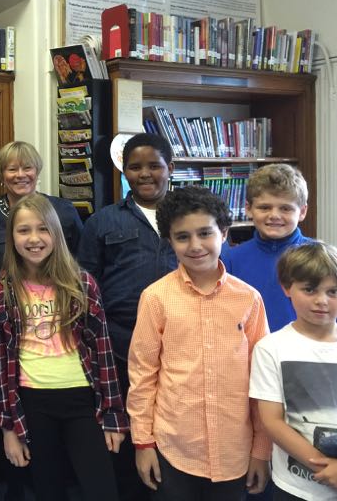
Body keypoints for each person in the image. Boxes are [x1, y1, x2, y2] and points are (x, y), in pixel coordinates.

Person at [128, 186, 271, 501]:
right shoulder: (156, 298)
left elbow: (264, 380)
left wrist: (262, 448)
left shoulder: (249, 299)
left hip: (235, 449)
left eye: (205, 233)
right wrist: (143, 443)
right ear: (170, 241)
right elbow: (143, 375)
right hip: (174, 448)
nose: (195, 246)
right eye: (182, 237)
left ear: (224, 233)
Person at [0, 193, 128, 501]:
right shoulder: (1, 292)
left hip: (83, 400)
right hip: (32, 402)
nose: (34, 239)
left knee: (101, 488)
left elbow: (103, 352)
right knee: (47, 489)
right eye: (24, 230)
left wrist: (114, 414)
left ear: (56, 233)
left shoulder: (82, 284)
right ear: (11, 237)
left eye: (42, 229)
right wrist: (8, 428)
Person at [78, 132, 178, 500]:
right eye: (135, 167)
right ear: (124, 171)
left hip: (180, 348)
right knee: (124, 432)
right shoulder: (102, 223)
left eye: (154, 165)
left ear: (171, 168)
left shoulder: (189, 216)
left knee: (171, 430)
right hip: (121, 345)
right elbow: (86, 287)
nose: (145, 174)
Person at [249, 241, 337, 501]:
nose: (322, 300)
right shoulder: (270, 348)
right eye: (310, 289)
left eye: (333, 291)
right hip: (294, 488)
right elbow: (272, 422)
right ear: (287, 288)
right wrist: (336, 474)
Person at [223, 163, 337, 333]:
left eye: (286, 208)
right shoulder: (231, 260)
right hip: (252, 354)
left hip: (313, 355)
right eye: (264, 207)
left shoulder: (327, 259)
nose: (274, 215)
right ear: (248, 209)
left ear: (302, 212)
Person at [0, 141, 83, 287]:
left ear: (37, 172)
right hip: (0, 302)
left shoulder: (63, 211)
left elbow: (81, 260)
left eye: (27, 168)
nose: (20, 175)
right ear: (1, 175)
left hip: (56, 299)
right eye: (12, 169)